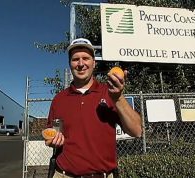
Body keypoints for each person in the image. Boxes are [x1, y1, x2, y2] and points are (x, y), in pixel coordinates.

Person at [45, 38, 142, 178]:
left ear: (94, 63)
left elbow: (137, 131)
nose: (80, 64)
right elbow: (51, 135)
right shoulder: (59, 99)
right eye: (75, 59)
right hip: (63, 175)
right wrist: (52, 141)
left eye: (86, 58)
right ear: (69, 64)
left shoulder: (110, 93)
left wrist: (118, 98)